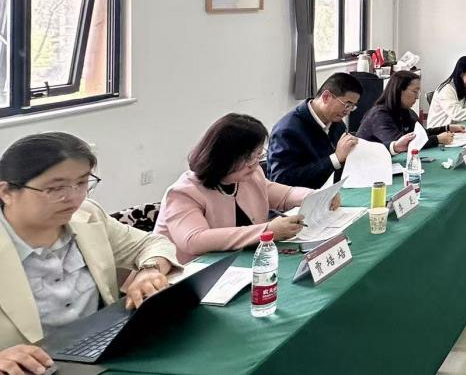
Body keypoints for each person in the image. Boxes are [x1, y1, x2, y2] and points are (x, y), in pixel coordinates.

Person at [0, 133, 180, 362]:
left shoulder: (88, 216)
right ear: (6, 192)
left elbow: (152, 243)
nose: (73, 197)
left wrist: (150, 270)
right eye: (55, 188)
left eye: (82, 183)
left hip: (102, 351)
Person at [156, 114, 343, 264]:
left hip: (239, 265)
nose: (255, 163)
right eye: (249, 157)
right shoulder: (183, 192)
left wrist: (317, 196)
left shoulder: (249, 176)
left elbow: (282, 195)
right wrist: (267, 231)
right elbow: (194, 240)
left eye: (258, 155)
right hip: (189, 276)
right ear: (224, 157)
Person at [267, 72, 362, 190]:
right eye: (346, 105)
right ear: (326, 97)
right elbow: (281, 181)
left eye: (352, 107)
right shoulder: (287, 131)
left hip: (334, 192)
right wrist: (335, 159)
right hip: (303, 199)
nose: (347, 112)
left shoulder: (336, 123)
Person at [358, 71, 465, 151]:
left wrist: (447, 128)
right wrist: (437, 139)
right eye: (415, 91)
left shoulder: (406, 111)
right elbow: (402, 144)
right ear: (399, 90)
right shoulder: (379, 115)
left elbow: (420, 134)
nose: (417, 97)